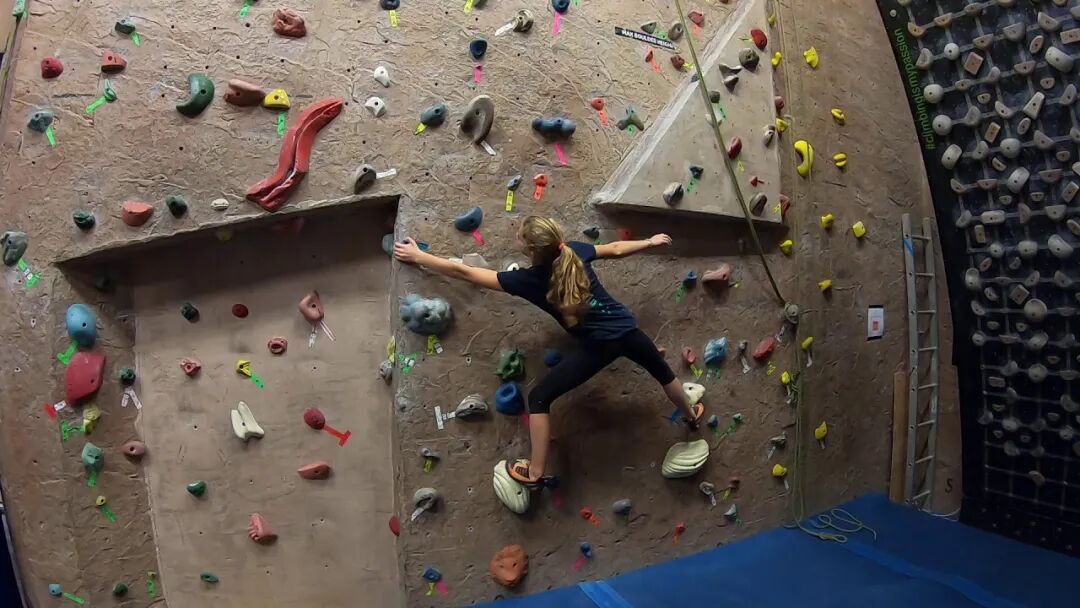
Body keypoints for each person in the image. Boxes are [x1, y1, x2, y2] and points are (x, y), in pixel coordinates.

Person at [393, 216, 702, 488]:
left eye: (520, 237)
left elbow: (466, 273)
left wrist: (420, 256)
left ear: (531, 250)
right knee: (663, 372)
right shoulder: (574, 250)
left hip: (599, 346)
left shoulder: (528, 280)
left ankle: (535, 472)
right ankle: (690, 415)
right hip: (628, 328)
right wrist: (649, 242)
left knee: (539, 398)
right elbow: (616, 249)